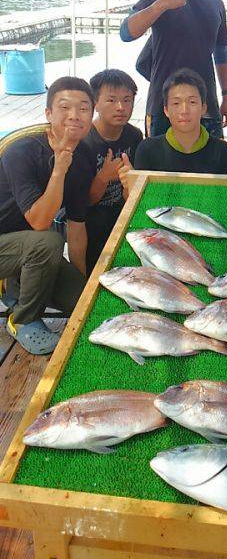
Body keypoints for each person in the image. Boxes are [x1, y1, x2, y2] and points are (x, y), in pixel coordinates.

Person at [0, 77, 95, 355]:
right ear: (48, 114)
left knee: (85, 303)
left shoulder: (85, 155)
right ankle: (23, 319)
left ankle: (15, 286)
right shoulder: (22, 151)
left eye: (83, 108)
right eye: (65, 107)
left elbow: (77, 227)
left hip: (26, 248)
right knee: (48, 241)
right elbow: (40, 221)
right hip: (11, 243)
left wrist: (82, 282)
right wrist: (59, 169)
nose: (74, 116)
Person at [120, 0, 227, 138]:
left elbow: (221, 53)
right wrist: (162, 4)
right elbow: (126, 32)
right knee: (160, 168)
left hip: (205, 106)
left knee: (208, 169)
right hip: (164, 106)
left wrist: (226, 96)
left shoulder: (216, 3)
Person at [83, 69, 143, 275]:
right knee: (99, 222)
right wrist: (102, 178)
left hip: (121, 208)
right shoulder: (85, 142)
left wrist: (131, 181)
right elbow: (85, 202)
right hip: (88, 216)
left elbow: (133, 194)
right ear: (95, 103)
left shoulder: (134, 136)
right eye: (111, 100)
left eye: (127, 100)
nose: (121, 107)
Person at [134, 69, 227, 175]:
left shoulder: (223, 151)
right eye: (176, 103)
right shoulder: (148, 150)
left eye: (192, 102)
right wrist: (130, 183)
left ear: (203, 108)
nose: (184, 111)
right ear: (166, 110)